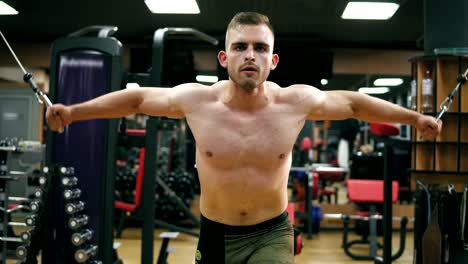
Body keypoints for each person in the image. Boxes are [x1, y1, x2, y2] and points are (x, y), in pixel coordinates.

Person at [46, 12, 442, 264]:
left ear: (273, 60)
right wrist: (74, 112)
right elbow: (135, 97)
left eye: (260, 48)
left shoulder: (295, 101)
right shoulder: (196, 101)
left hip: (271, 233)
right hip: (215, 233)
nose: (249, 55)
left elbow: (355, 104)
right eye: (240, 47)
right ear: (224, 57)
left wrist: (415, 117)